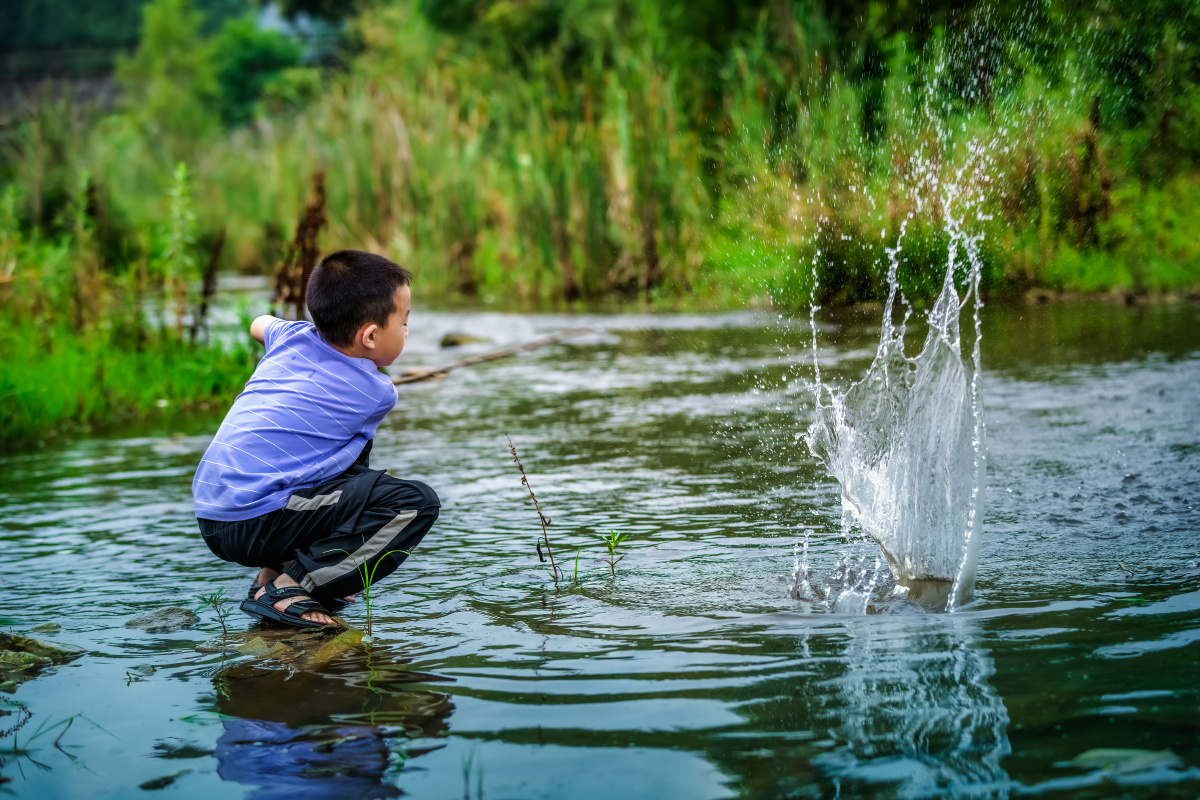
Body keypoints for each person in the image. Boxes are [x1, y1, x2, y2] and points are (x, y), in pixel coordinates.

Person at [192, 249, 439, 629]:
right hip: (253, 520)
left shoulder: (289, 335)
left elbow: (259, 324)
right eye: (403, 322)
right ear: (371, 335)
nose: (406, 331)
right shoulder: (377, 393)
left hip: (214, 511)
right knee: (413, 503)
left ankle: (274, 572)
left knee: (325, 452)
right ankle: (293, 585)